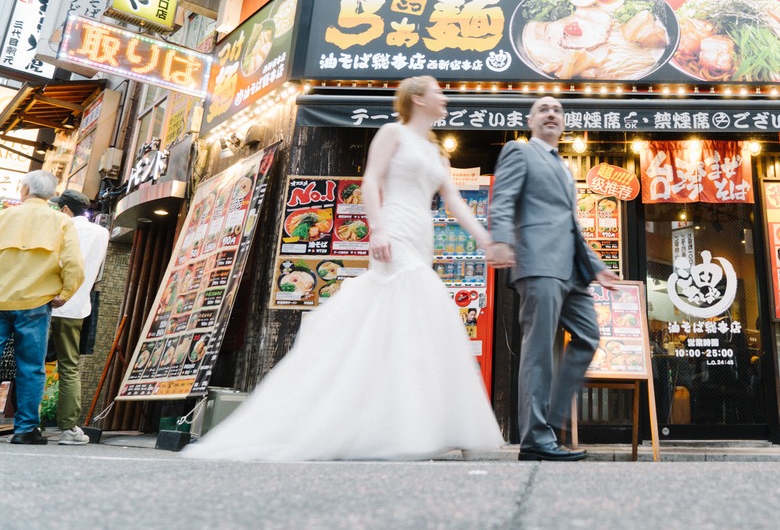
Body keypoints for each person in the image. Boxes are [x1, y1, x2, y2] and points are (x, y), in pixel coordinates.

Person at [185, 76, 502, 461]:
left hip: (422, 239)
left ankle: (392, 422)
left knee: (402, 326)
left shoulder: (437, 153)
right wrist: (378, 228)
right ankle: (387, 424)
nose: (444, 97)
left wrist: (485, 240)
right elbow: (370, 181)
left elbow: (453, 201)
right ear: (417, 98)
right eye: (438, 91)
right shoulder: (392, 133)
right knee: (415, 311)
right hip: (396, 232)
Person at [487, 96, 619, 462]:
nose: (551, 114)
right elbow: (503, 199)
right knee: (539, 352)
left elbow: (572, 225)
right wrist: (500, 240)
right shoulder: (519, 151)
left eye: (558, 110)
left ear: (563, 123)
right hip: (538, 263)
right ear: (530, 120)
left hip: (571, 272)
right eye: (543, 109)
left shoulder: (562, 167)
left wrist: (596, 265)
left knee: (589, 336)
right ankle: (535, 439)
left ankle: (551, 417)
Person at [0, 170, 85, 445]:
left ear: (24, 189)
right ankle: (25, 430)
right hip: (36, 302)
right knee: (31, 367)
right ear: (51, 195)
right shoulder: (61, 221)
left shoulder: (4, 217)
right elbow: (73, 263)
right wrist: (65, 293)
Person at [48, 189, 110, 446]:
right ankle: (69, 430)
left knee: (28, 363)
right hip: (76, 308)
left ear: (65, 209)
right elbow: (97, 273)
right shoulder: (102, 232)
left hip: (44, 303)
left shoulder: (57, 228)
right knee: (69, 367)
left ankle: (26, 424)